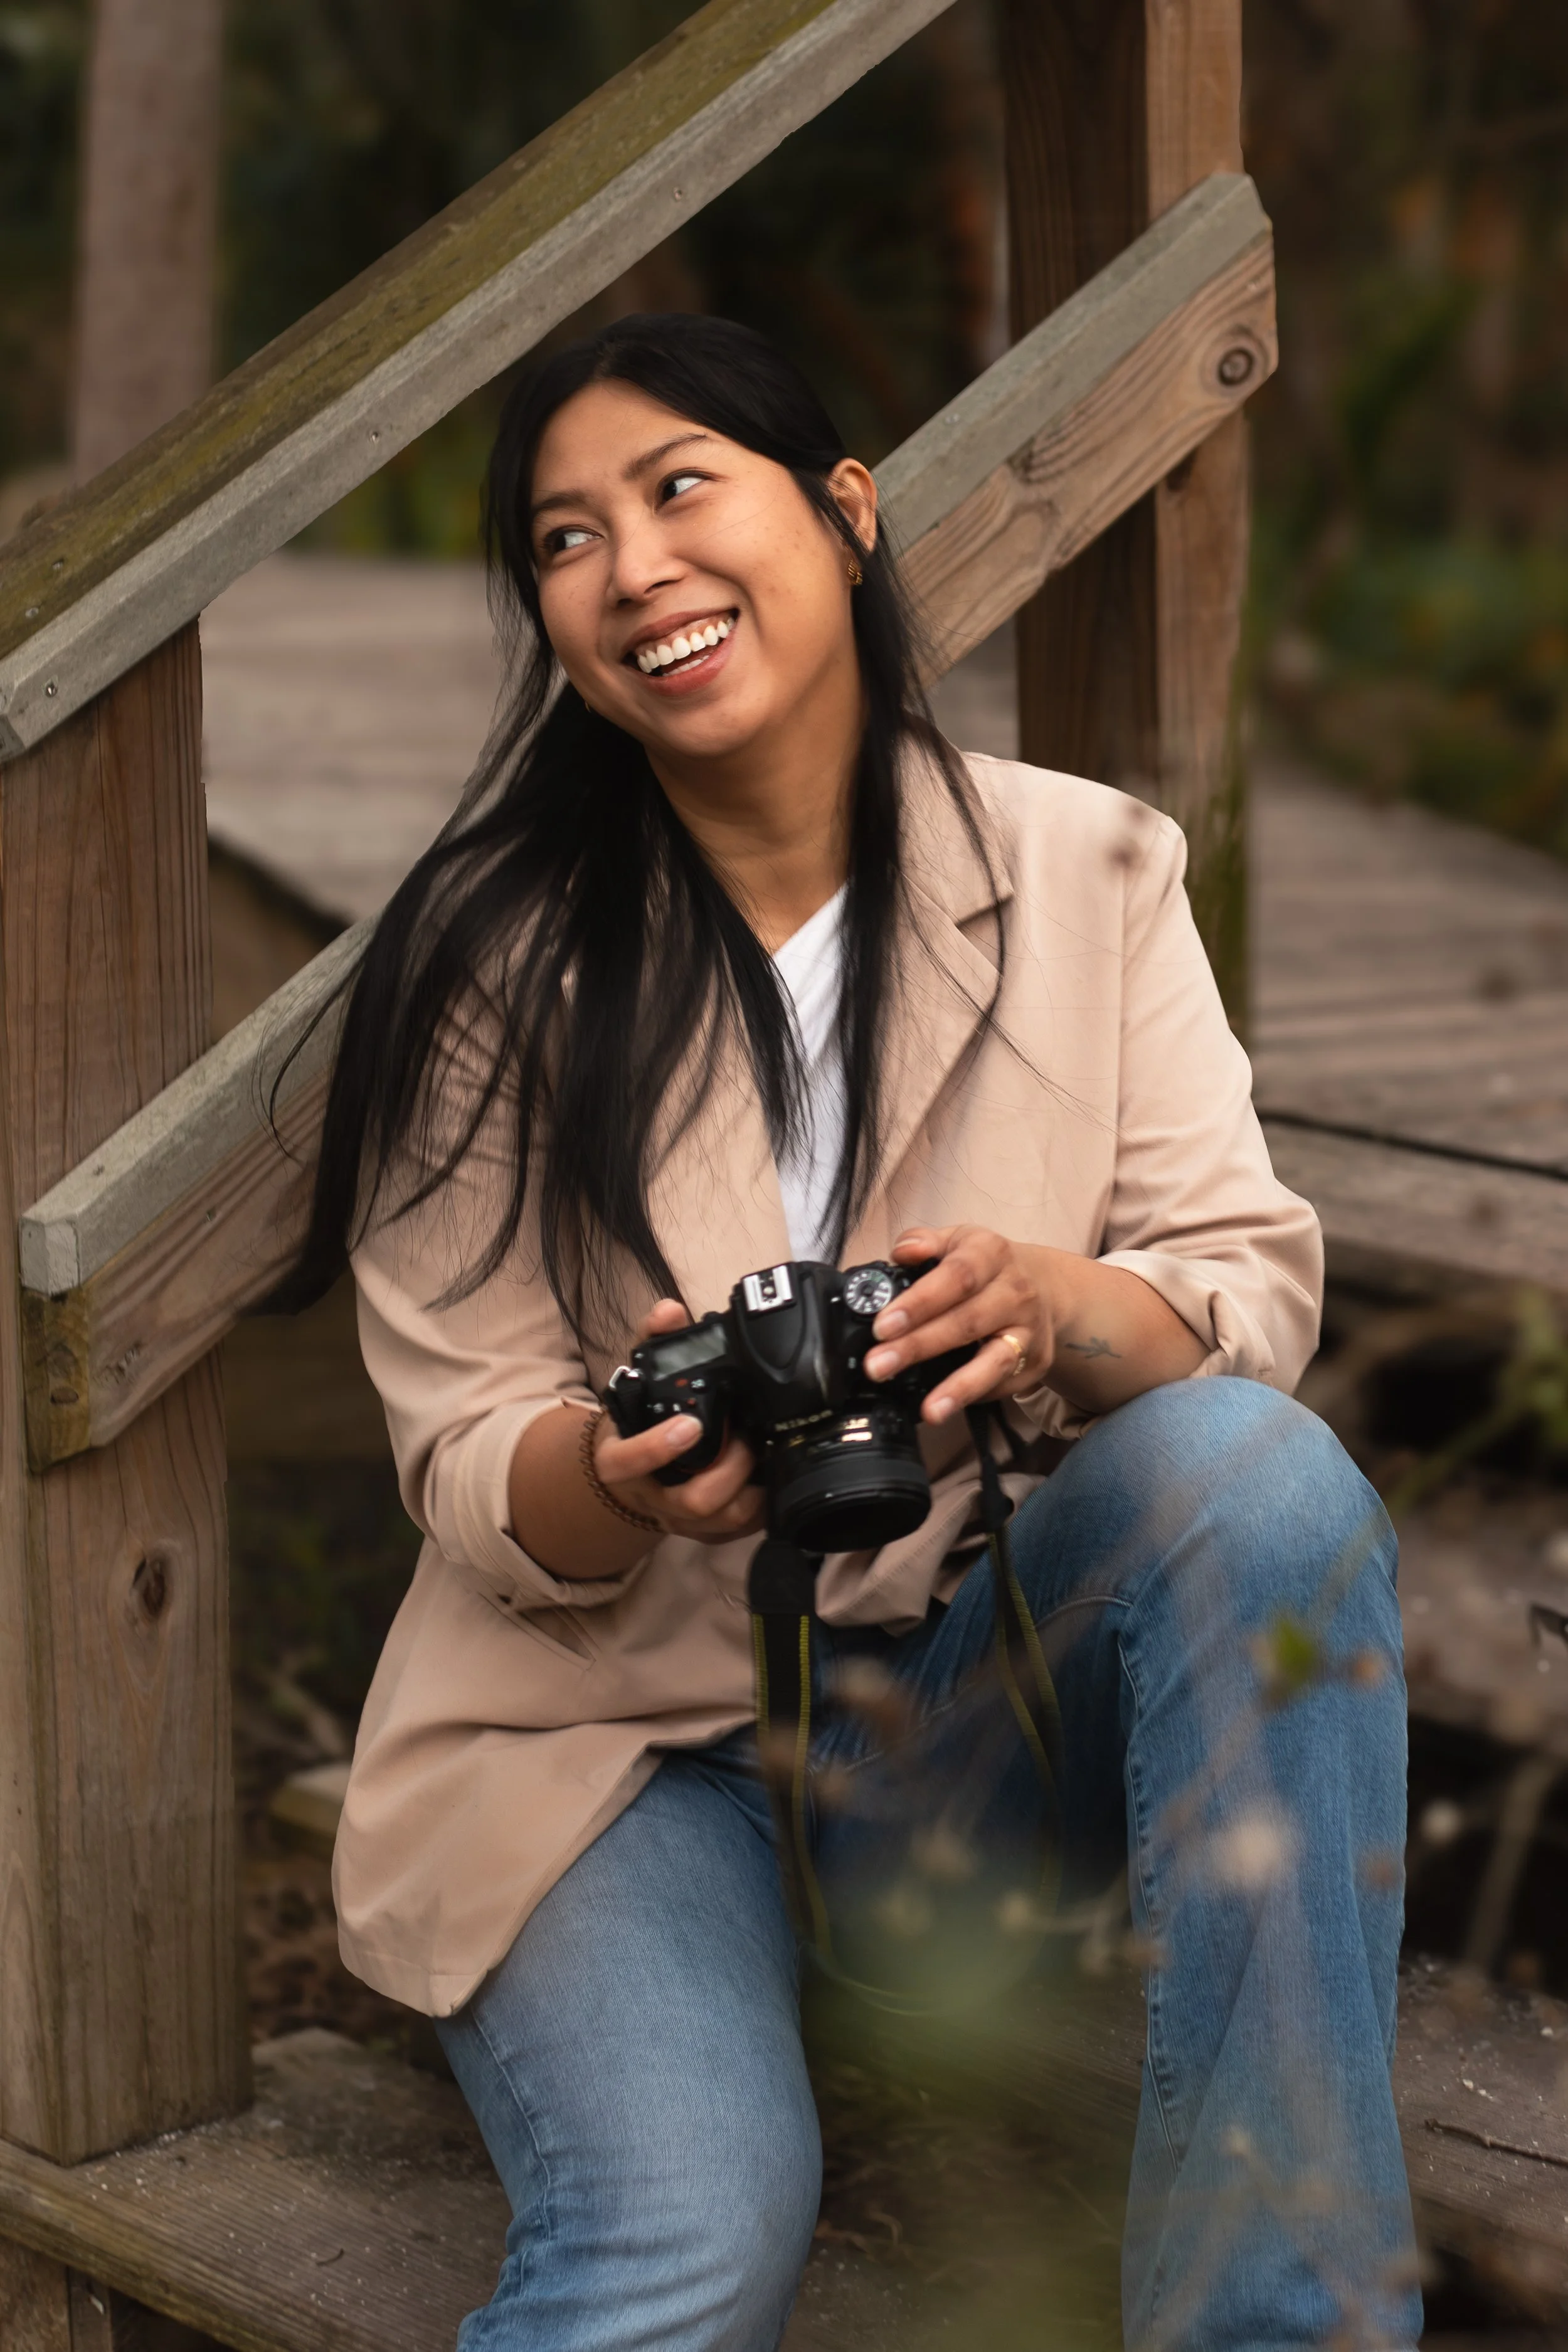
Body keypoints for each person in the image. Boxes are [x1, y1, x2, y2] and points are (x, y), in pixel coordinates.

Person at [285, 312, 1417, 2351]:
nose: (632, 567)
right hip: (617, 1746)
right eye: (563, 537)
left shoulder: (1087, 868)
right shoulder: (489, 959)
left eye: (678, 486)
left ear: (843, 507)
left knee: (1258, 1476)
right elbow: (462, 1448)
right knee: (690, 2238)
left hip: (976, 1713)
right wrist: (614, 1472)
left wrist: (1064, 1308)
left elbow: (1244, 1278)